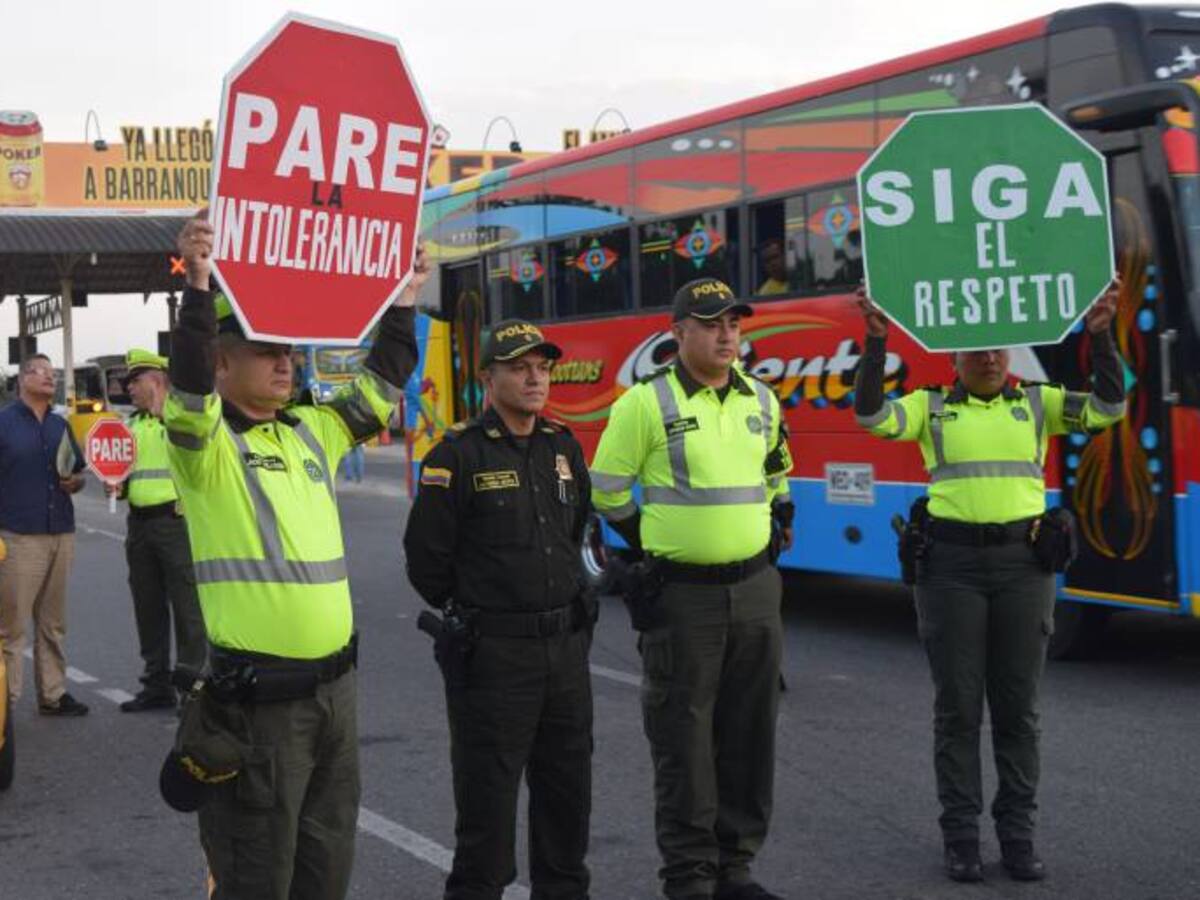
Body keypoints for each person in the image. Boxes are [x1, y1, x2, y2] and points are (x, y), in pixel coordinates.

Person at [167, 213, 422, 900]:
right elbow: (188, 393)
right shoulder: (204, 447)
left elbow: (381, 389)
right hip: (260, 713)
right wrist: (197, 285)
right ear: (222, 361)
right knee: (258, 877)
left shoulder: (311, 431)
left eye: (289, 350)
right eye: (265, 350)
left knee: (325, 868)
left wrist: (403, 301)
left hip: (335, 697)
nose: (287, 362)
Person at [852, 281, 1124, 883]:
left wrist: (1101, 334)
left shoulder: (1037, 403)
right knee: (957, 710)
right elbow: (871, 414)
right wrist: (876, 342)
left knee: (1018, 712)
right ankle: (962, 837)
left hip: (1024, 567)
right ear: (953, 359)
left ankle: (1018, 837)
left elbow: (1108, 409)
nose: (990, 357)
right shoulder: (928, 407)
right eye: (975, 350)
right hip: (950, 571)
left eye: (998, 349)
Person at [590, 278, 794, 900]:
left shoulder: (761, 398)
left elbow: (776, 473)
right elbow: (606, 490)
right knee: (684, 738)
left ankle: (735, 866)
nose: (728, 334)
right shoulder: (643, 404)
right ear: (678, 334)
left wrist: (778, 516)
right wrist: (649, 544)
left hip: (757, 588)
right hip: (685, 597)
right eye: (711, 324)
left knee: (750, 733)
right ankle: (689, 875)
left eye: (734, 322)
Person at [404, 319, 595, 900]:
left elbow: (575, 530)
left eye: (542, 367)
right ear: (487, 377)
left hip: (564, 651)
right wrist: (480, 616)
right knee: (487, 810)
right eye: (519, 367)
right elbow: (426, 563)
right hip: (495, 658)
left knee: (567, 800)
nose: (535, 378)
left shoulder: (563, 447)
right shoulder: (456, 455)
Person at [108, 349, 206, 712]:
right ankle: (156, 684)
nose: (128, 387)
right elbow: (118, 471)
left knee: (188, 610)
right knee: (147, 607)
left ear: (157, 380)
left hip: (177, 524)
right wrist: (115, 483)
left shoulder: (181, 423)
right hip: (139, 525)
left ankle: (193, 686)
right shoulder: (130, 427)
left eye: (135, 380)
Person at [0, 354, 89, 717]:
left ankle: (53, 694)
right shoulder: (4, 423)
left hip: (60, 533)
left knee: (53, 624)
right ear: (22, 380)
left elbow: (79, 473)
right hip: (18, 535)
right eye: (41, 372)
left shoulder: (59, 426)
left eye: (53, 374)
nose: (50, 378)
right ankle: (6, 702)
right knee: (11, 626)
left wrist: (76, 483)